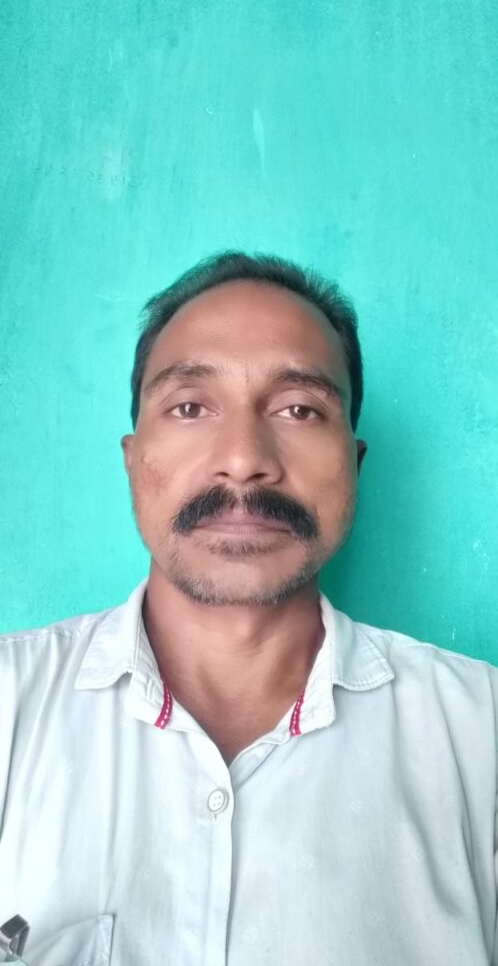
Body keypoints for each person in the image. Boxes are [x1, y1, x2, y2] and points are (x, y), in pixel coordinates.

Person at [1, 251, 497, 966]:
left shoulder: (481, 740)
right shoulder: (10, 708)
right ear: (132, 460)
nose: (242, 458)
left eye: (299, 409)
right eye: (190, 406)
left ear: (355, 464)